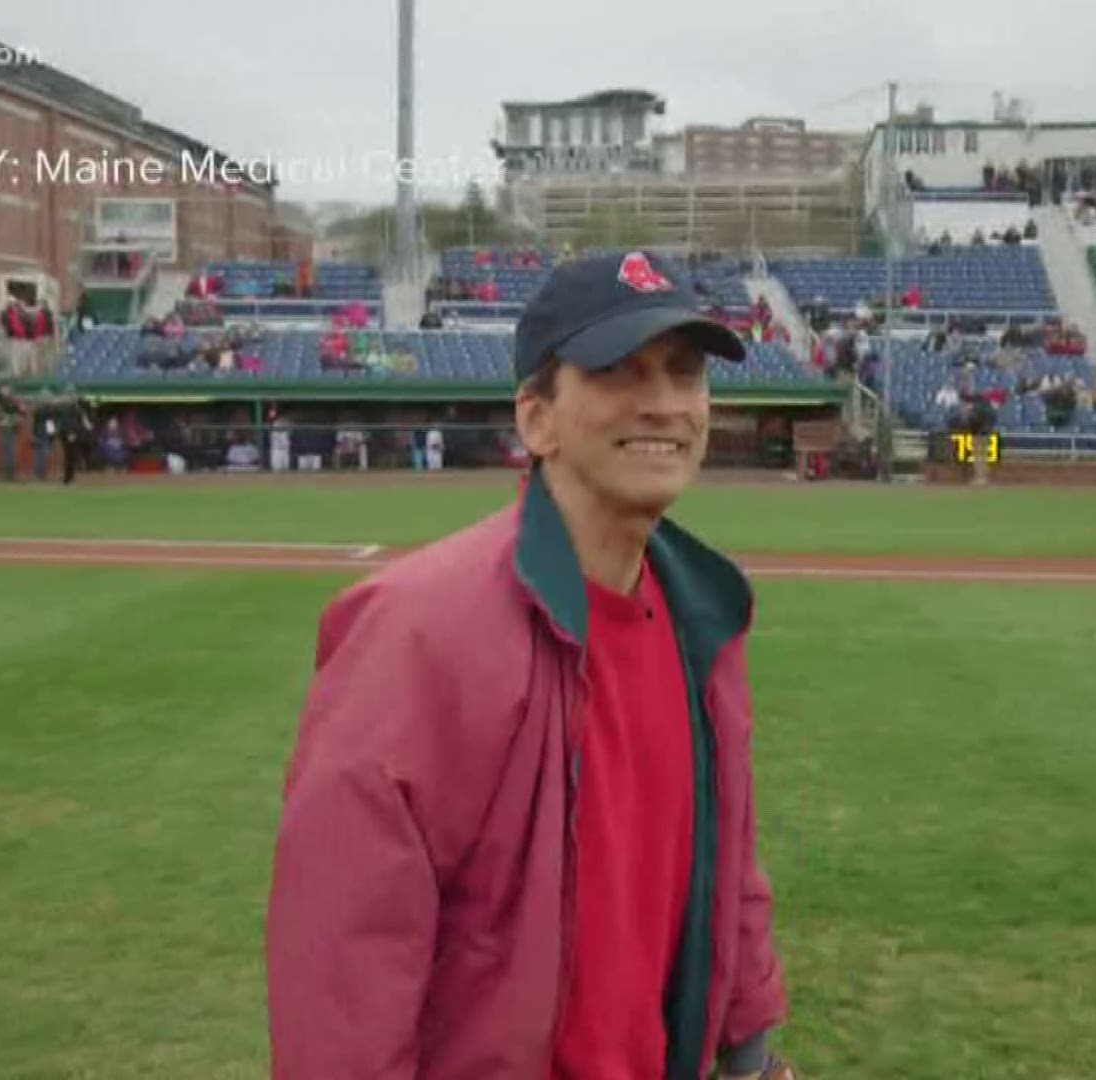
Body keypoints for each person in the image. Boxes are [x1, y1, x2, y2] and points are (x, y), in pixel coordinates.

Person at [266, 251, 794, 1080]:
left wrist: (754, 1053)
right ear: (536, 419)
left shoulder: (705, 622)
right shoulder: (415, 636)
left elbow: (731, 870)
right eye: (619, 371)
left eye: (684, 373)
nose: (662, 403)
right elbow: (346, 959)